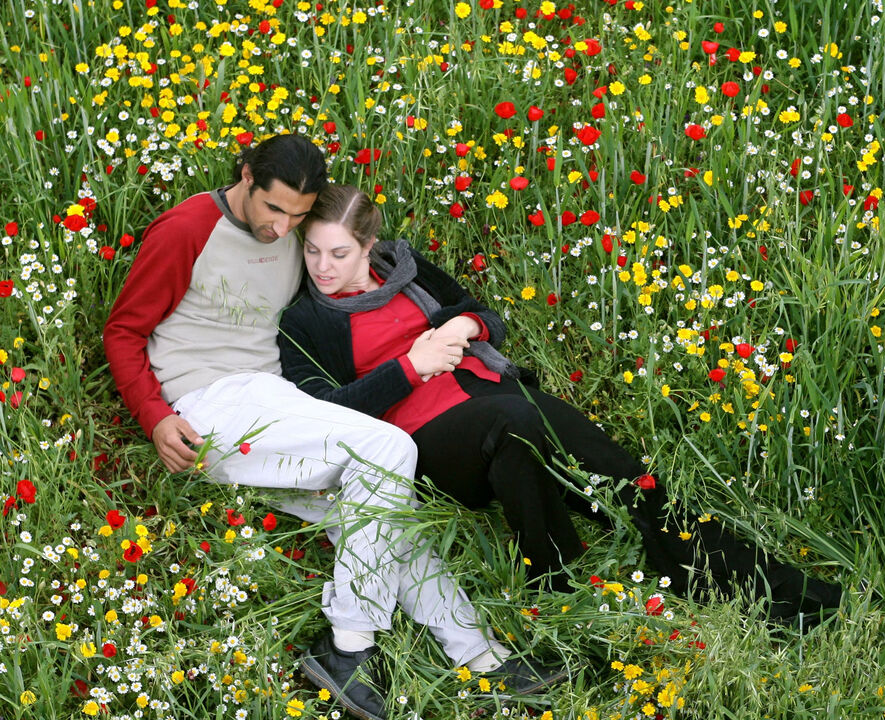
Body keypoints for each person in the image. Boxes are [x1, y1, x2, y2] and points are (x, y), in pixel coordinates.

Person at [103, 137, 560, 720]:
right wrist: (157, 415)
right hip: (211, 403)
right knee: (388, 448)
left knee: (381, 514)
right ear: (245, 176)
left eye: (297, 216)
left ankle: (480, 657)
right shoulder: (188, 227)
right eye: (273, 210)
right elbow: (122, 331)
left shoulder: (296, 233)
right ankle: (348, 647)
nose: (282, 228)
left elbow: (340, 263)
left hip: (275, 407)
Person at [277, 185, 843, 623]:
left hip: (485, 392)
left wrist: (464, 325)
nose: (322, 267)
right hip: (423, 437)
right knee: (518, 421)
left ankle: (767, 590)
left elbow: (481, 314)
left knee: (626, 476)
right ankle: (561, 589)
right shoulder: (306, 319)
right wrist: (411, 366)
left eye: (339, 252)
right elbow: (325, 408)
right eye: (312, 250)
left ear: (369, 246)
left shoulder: (405, 267)